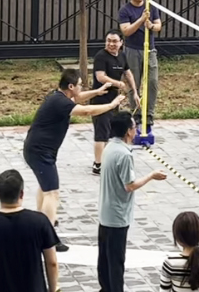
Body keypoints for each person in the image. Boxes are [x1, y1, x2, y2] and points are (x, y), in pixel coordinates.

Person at [22, 68, 123, 252]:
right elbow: (86, 111)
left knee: (45, 188)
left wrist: (97, 92)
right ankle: (48, 238)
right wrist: (111, 105)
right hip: (40, 152)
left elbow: (78, 98)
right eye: (79, 85)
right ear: (70, 86)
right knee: (52, 193)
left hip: (38, 150)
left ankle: (42, 222)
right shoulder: (60, 102)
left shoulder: (59, 97)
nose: (81, 88)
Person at [97, 109, 169, 292]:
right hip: (118, 214)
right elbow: (129, 186)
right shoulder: (125, 155)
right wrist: (151, 176)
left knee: (104, 255)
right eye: (134, 126)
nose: (136, 129)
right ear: (128, 131)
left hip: (105, 211)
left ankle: (106, 291)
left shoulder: (109, 148)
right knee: (116, 260)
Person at [117, 0, 163, 136]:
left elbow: (158, 26)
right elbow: (126, 31)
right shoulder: (125, 10)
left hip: (150, 50)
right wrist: (141, 20)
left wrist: (151, 26)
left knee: (152, 82)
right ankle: (136, 114)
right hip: (132, 50)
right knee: (133, 83)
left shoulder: (151, 7)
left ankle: (148, 116)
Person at [90, 30, 136, 174]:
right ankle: (98, 164)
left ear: (121, 43)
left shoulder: (122, 55)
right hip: (100, 100)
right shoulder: (101, 56)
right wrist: (118, 83)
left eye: (114, 41)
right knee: (101, 133)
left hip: (114, 100)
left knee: (111, 132)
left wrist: (135, 92)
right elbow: (100, 77)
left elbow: (128, 73)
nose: (111, 44)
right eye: (108, 41)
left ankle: (108, 160)